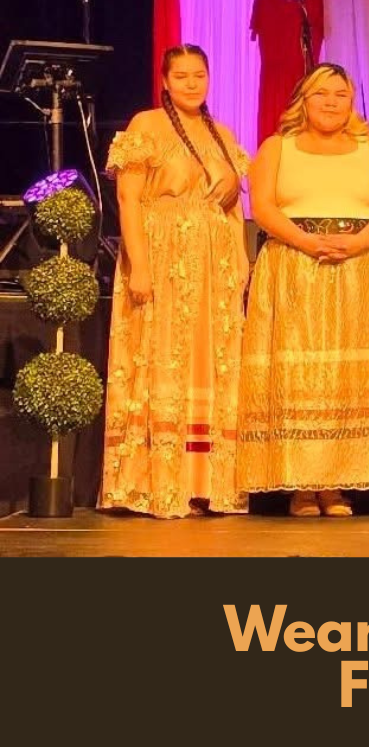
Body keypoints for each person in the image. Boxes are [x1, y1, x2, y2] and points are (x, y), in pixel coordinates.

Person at [236, 63, 369, 516]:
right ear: (303, 101)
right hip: (295, 266)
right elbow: (264, 206)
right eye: (321, 94)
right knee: (299, 375)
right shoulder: (278, 147)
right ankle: (301, 484)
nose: (331, 102)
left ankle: (335, 485)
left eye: (340, 94)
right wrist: (307, 242)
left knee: (343, 378)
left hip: (359, 268)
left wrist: (358, 242)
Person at [100, 44, 249, 518]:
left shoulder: (220, 133)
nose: (190, 83)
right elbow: (128, 200)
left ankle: (205, 483)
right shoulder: (146, 125)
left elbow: (233, 204)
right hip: (162, 254)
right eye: (180, 75)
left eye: (199, 74)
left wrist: (241, 259)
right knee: (162, 353)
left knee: (209, 360)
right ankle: (157, 481)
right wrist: (139, 265)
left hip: (213, 262)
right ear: (164, 81)